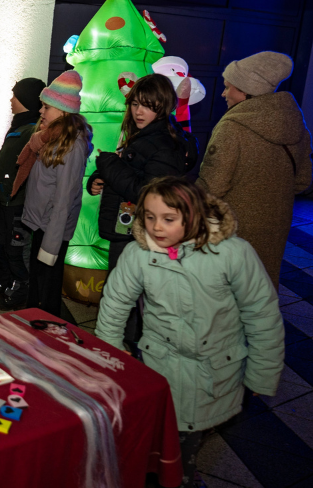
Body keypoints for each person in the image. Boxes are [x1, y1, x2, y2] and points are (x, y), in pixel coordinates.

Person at [96, 176, 284, 488]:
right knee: (159, 439)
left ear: (193, 215)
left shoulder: (232, 254)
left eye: (168, 219)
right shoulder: (138, 254)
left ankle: (181, 477)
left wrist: (262, 373)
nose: (157, 227)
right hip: (160, 364)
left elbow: (262, 314)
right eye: (150, 217)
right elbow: (115, 303)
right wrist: (111, 350)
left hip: (216, 371)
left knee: (187, 440)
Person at [88, 74, 198, 347]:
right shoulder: (147, 136)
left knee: (124, 296)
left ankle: (122, 350)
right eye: (135, 104)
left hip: (139, 235)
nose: (139, 111)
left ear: (163, 107)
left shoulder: (164, 143)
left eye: (148, 106)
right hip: (130, 230)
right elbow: (134, 172)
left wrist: (109, 166)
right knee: (123, 293)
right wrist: (100, 178)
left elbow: (149, 193)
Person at [197, 51, 312, 289]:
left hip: (232, 224)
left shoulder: (232, 127)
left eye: (228, 87)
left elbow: (212, 187)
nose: (223, 93)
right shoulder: (297, 125)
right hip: (277, 223)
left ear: (245, 90)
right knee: (261, 286)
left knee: (224, 289)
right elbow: (302, 181)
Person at [0, 71, 92, 314]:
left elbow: (63, 201)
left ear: (63, 111)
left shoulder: (71, 146)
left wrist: (50, 248)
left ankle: (49, 329)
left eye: (46, 107)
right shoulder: (50, 138)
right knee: (37, 290)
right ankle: (34, 325)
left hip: (52, 232)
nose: (40, 111)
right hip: (41, 225)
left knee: (46, 294)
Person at [0, 78, 45, 301]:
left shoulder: (33, 131)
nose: (11, 100)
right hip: (4, 200)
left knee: (15, 249)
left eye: (15, 96)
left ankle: (20, 292)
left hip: (18, 203)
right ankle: (3, 282)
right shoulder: (18, 127)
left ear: (26, 99)